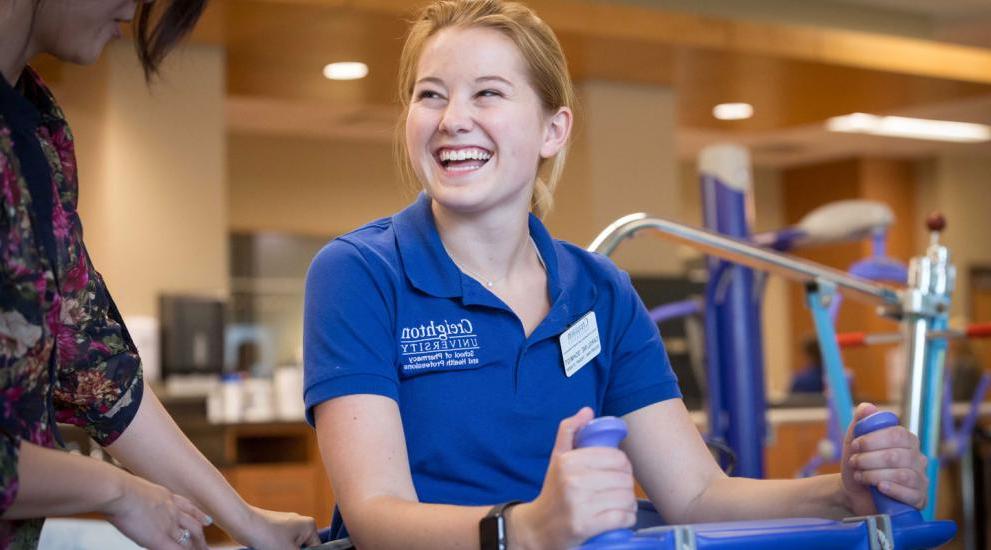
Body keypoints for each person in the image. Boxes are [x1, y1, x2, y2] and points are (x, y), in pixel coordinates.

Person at [303, 1, 929, 548]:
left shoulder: (600, 291)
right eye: (430, 94)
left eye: (487, 92)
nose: (451, 119)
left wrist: (843, 492)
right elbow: (376, 519)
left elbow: (698, 494)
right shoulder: (360, 273)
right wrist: (524, 531)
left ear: (554, 129)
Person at [0, 1, 319, 548]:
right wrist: (115, 491)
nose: (131, 10)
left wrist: (246, 521)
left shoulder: (38, 130)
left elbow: (99, 371)